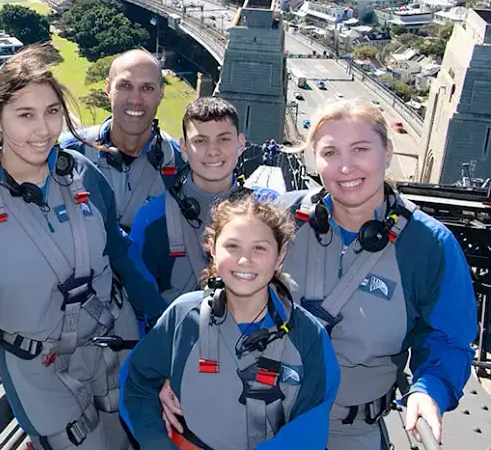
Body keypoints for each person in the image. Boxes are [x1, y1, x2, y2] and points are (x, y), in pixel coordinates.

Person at [158, 100, 477, 449]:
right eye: (330, 152)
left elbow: (447, 339)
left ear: (386, 152)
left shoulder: (430, 245)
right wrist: (180, 364)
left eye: (360, 149)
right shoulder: (282, 218)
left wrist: (429, 390)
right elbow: (220, 294)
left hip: (350, 433)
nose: (345, 167)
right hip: (255, 419)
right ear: (314, 160)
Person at [0, 43, 163, 450]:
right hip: (43, 371)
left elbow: (119, 253)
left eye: (52, 112)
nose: (43, 129)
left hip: (113, 343)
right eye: (25, 115)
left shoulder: (84, 175)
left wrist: (168, 326)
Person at [120, 194, 340, 449]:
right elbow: (136, 384)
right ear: (212, 249)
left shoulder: (307, 336)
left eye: (259, 248)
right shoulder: (184, 316)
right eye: (232, 246)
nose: (244, 260)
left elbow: (308, 427)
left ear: (280, 255)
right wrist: (157, 442)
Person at [128, 97, 248, 307]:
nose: (213, 150)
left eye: (224, 139)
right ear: (183, 148)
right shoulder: (152, 219)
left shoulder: (266, 213)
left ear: (241, 144)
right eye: (200, 141)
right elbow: (139, 306)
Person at [62, 49, 185, 232]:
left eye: (147, 88)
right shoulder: (68, 153)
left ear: (161, 93)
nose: (135, 100)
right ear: (108, 88)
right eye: (125, 86)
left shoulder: (178, 160)